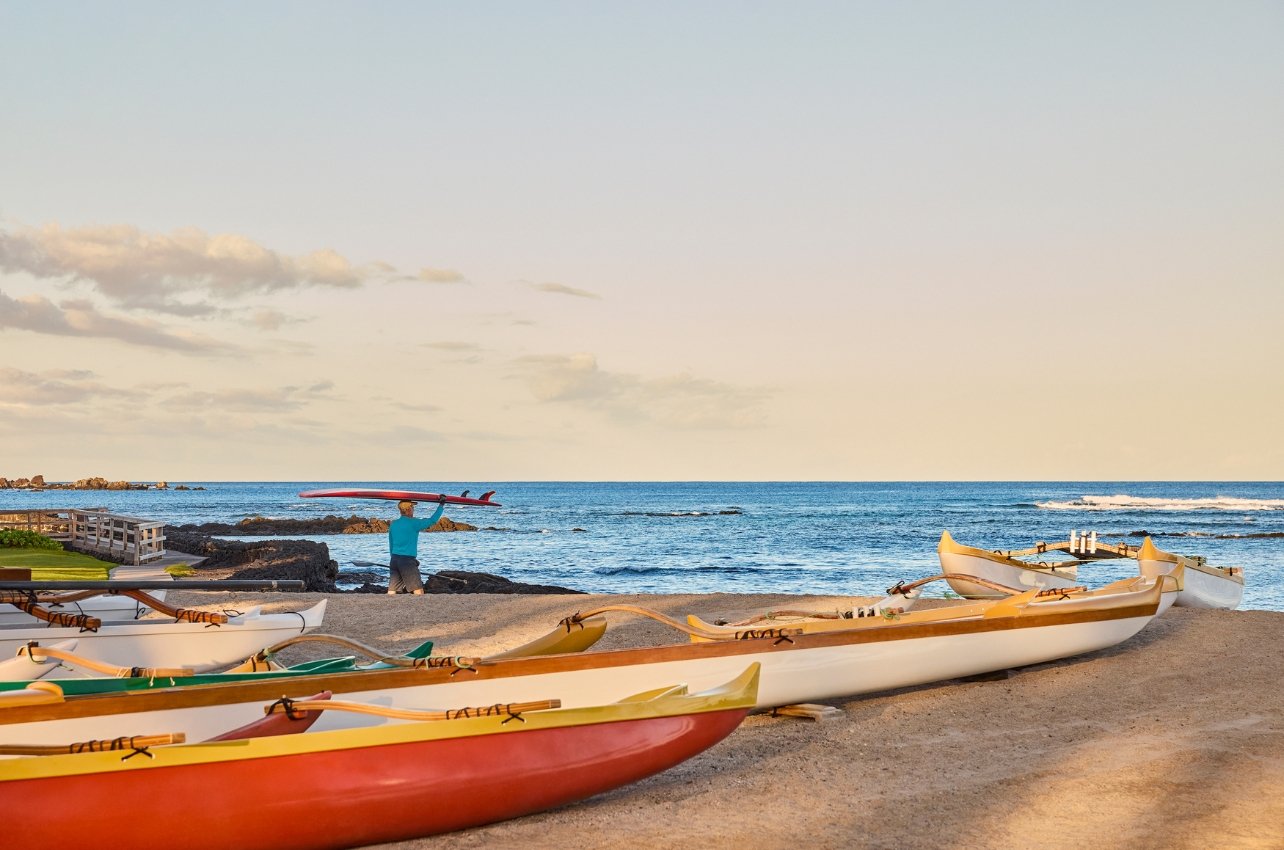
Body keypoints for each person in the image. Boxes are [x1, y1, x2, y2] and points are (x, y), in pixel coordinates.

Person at [386, 498, 445, 595]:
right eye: (413, 507)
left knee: (392, 591)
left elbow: (391, 543)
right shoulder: (414, 523)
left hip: (394, 560)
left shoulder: (394, 524)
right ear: (408, 509)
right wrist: (441, 506)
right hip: (407, 562)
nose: (413, 510)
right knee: (418, 590)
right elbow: (432, 520)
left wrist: (394, 558)